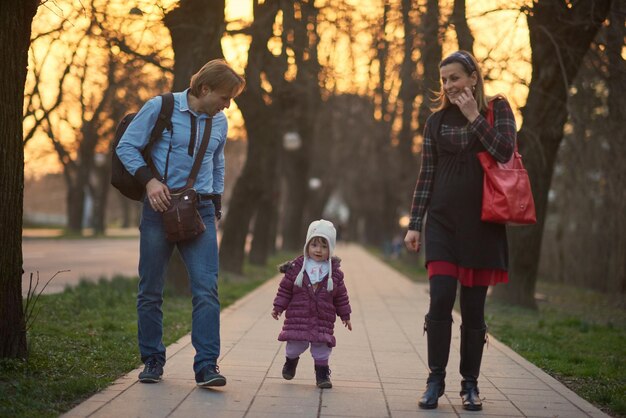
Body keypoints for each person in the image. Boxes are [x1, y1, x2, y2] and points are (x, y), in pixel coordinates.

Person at [116, 59, 245, 387]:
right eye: (225, 97)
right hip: (158, 206)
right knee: (150, 290)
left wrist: (215, 202)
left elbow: (218, 162)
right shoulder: (161, 107)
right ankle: (153, 361)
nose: (228, 105)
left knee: (206, 290)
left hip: (199, 210)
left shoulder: (220, 122)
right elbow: (126, 146)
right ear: (204, 89)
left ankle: (206, 366)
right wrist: (148, 181)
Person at [404, 50, 516, 411]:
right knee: (439, 297)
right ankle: (435, 379)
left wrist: (473, 117)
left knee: (473, 308)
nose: (449, 86)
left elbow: (504, 152)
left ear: (472, 77)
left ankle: (470, 385)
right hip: (441, 223)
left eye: (455, 78)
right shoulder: (435, 122)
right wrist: (414, 224)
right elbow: (426, 176)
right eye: (444, 80)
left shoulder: (498, 111)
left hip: (482, 225)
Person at [271, 219, 352, 389]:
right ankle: (290, 362)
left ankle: (322, 375)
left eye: (324, 246)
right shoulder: (296, 268)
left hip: (323, 318)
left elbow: (341, 296)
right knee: (295, 344)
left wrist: (345, 315)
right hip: (298, 316)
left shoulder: (334, 273)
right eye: (314, 245)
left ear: (330, 249)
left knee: (322, 347)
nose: (318, 250)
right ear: (307, 245)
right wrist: (278, 307)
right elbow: (285, 290)